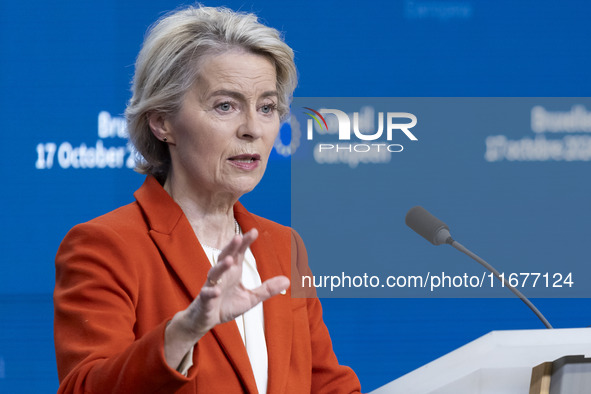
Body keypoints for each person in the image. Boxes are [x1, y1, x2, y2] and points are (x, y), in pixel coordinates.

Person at [54, 5, 362, 393]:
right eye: (225, 106)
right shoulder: (105, 246)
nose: (252, 129)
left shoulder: (284, 247)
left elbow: (326, 384)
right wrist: (183, 333)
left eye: (266, 107)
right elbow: (84, 388)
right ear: (162, 121)